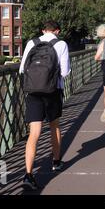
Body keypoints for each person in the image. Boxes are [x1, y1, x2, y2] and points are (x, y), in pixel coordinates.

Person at [19, 21, 70, 190]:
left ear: (42, 30)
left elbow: (22, 69)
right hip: (52, 92)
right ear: (57, 30)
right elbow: (64, 72)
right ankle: (56, 162)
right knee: (54, 125)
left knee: (34, 133)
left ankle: (28, 174)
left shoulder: (31, 43)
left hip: (33, 91)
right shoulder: (61, 43)